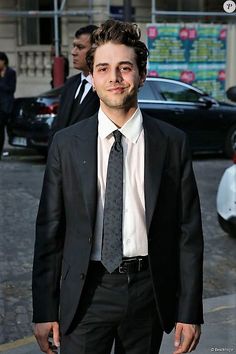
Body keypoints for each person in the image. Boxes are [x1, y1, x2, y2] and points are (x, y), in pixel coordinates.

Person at [32, 19, 204, 354]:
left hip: (147, 292)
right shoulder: (66, 145)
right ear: (93, 78)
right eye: (103, 68)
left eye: (125, 67)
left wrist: (189, 311)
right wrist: (43, 308)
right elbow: (49, 232)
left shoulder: (172, 143)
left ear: (142, 74)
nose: (114, 77)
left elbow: (188, 232)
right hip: (85, 293)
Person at [49, 24, 100, 140]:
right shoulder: (70, 84)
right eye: (74, 46)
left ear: (95, 51)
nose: (73, 52)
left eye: (80, 47)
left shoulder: (106, 88)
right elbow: (58, 125)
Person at [0, 52, 16, 158]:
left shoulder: (11, 73)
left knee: (5, 130)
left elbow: (11, 89)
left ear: (3, 61)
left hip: (6, 106)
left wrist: (1, 80)